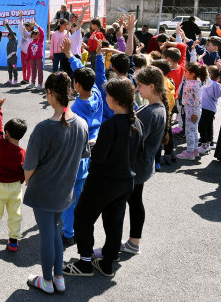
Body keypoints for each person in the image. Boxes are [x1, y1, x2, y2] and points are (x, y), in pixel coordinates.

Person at [63, 77, 143, 278]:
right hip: (126, 182)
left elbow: (99, 158)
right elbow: (138, 153)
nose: (105, 97)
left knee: (82, 217)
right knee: (114, 222)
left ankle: (85, 262)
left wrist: (94, 145)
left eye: (107, 94)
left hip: (103, 182)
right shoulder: (137, 124)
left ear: (115, 99)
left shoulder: (111, 125)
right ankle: (108, 262)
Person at [24, 72, 89, 295]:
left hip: (44, 191)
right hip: (65, 191)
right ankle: (58, 278)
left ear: (50, 93)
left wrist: (28, 181)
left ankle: (47, 280)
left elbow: (29, 166)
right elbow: (83, 154)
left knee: (47, 235)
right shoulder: (81, 124)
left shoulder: (44, 128)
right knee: (54, 231)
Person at [111, 66, 168, 256]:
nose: (137, 89)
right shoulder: (156, 107)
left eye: (140, 85)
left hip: (134, 168)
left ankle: (127, 243)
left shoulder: (150, 112)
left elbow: (133, 141)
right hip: (142, 166)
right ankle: (133, 241)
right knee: (135, 202)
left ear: (152, 86)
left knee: (125, 204)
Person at [59, 37, 104, 246]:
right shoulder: (95, 92)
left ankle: (69, 232)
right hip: (92, 150)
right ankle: (78, 226)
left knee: (69, 196)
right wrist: (70, 56)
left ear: (76, 84)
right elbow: (84, 73)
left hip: (77, 154)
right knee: (81, 192)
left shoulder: (75, 109)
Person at [0, 98, 26, 252]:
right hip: (15, 187)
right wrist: (20, 181)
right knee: (15, 214)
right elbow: (24, 172)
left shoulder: (0, 144)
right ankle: (13, 240)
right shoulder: (23, 154)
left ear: (6, 133)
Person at [176, 63, 206, 160]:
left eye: (186, 71)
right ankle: (194, 150)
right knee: (193, 131)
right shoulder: (191, 82)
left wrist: (196, 113)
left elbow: (198, 100)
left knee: (189, 132)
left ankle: (189, 152)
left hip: (191, 110)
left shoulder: (195, 85)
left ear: (192, 74)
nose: (184, 73)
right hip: (190, 109)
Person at [18, 14, 36, 84]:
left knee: (29, 66)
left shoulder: (33, 33)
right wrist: (20, 18)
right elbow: (20, 27)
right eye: (26, 26)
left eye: (27, 26)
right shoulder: (24, 32)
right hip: (23, 51)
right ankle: (24, 78)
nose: (26, 27)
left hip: (29, 53)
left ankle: (27, 79)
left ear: (31, 26)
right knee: (23, 66)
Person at [4, 21, 19, 85]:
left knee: (14, 68)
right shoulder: (9, 42)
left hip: (13, 58)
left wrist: (7, 25)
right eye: (9, 35)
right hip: (9, 58)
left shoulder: (15, 40)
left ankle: (15, 80)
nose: (10, 36)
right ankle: (10, 80)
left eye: (11, 35)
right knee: (9, 69)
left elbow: (11, 31)